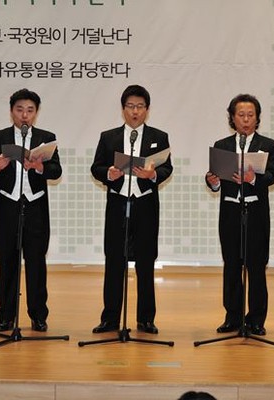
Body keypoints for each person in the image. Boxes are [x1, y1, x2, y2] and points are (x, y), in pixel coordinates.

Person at [91, 84, 173, 335]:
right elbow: (96, 167)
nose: (135, 111)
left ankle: (146, 319)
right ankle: (110, 318)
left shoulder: (159, 137)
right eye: (130, 106)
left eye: (140, 106)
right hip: (118, 204)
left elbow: (167, 168)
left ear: (147, 109)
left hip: (145, 205)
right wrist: (109, 173)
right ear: (123, 109)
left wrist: (152, 175)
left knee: (145, 263)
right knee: (114, 262)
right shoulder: (109, 137)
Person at [0, 88, 62, 333]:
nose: (24, 115)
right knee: (8, 262)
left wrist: (39, 167)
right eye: (19, 109)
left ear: (36, 113)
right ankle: (6, 316)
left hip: (36, 208)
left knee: (36, 263)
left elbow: (56, 171)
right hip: (8, 208)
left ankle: (38, 316)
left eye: (30, 110)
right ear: (11, 111)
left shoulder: (46, 138)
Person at [205, 94, 274, 336]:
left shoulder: (269, 145)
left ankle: (256, 319)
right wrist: (213, 182)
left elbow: (273, 176)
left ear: (257, 118)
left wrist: (253, 178)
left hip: (256, 213)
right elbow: (215, 178)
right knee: (231, 266)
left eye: (250, 115)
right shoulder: (222, 145)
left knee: (256, 267)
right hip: (230, 212)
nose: (246, 120)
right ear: (232, 118)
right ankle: (233, 317)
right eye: (241, 115)